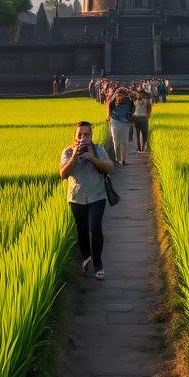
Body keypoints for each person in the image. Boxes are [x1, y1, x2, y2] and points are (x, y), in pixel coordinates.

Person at [59, 120, 113, 280]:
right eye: (80, 135)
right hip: (76, 197)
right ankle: (85, 257)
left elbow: (109, 167)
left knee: (95, 227)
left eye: (87, 135)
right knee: (81, 229)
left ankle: (98, 264)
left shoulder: (98, 149)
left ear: (91, 136)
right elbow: (63, 174)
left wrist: (93, 159)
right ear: (75, 136)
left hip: (97, 195)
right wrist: (75, 156)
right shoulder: (68, 152)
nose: (84, 138)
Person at [106, 88, 135, 165]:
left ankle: (123, 160)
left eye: (122, 95)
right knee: (116, 142)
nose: (120, 97)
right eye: (118, 95)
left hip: (125, 124)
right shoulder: (112, 103)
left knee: (124, 142)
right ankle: (117, 159)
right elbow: (108, 109)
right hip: (115, 123)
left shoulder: (129, 102)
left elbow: (136, 98)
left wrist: (130, 92)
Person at [132, 89, 152, 154]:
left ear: (143, 94)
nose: (140, 95)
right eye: (139, 93)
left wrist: (148, 116)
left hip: (143, 118)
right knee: (137, 134)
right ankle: (139, 149)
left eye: (141, 93)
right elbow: (132, 108)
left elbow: (149, 108)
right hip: (136, 118)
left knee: (144, 134)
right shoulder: (134, 100)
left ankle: (143, 148)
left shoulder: (147, 101)